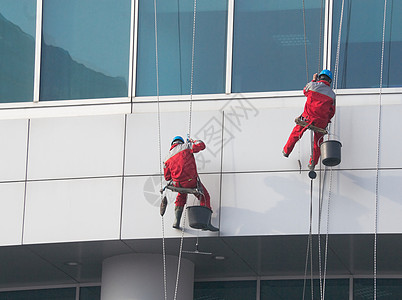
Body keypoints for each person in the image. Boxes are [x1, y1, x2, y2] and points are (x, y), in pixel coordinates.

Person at [282, 69, 336, 170]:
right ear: (329, 81)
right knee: (318, 142)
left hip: (308, 117)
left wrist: (313, 80)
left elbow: (305, 91)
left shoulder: (312, 85)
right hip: (321, 122)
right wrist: (326, 121)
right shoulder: (332, 95)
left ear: (320, 77)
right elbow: (332, 112)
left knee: (297, 132)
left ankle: (286, 151)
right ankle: (312, 164)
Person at [163, 136, 218, 231]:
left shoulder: (166, 158)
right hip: (191, 181)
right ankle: (206, 223)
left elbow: (167, 177)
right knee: (204, 196)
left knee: (181, 195)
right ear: (181, 142)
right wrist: (192, 141)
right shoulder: (186, 146)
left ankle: (176, 221)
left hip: (178, 184)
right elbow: (202, 145)